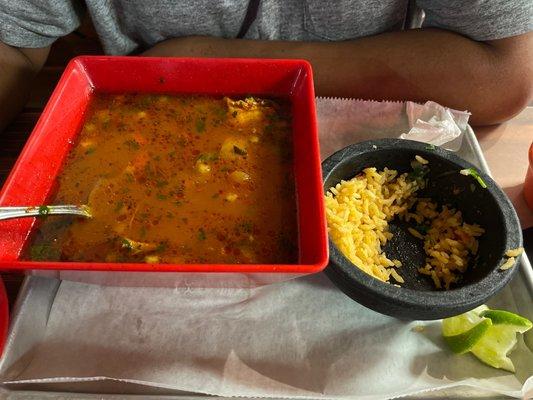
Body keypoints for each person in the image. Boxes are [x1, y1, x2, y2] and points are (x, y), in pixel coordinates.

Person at [0, 0, 531, 132]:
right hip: (141, 132)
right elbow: (13, 41)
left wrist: (207, 59)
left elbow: (504, 73)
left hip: (363, 147)